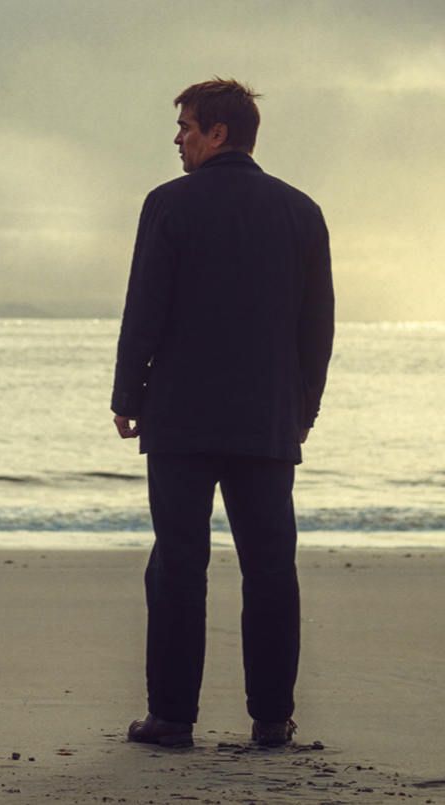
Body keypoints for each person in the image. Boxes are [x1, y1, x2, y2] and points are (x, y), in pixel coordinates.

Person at [111, 79, 334, 749]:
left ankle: (172, 717)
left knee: (178, 563)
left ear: (217, 133)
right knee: (270, 567)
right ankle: (272, 719)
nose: (177, 138)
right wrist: (303, 409)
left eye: (185, 126)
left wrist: (127, 395)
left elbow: (144, 308)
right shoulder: (302, 211)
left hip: (180, 419)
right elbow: (316, 327)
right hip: (267, 420)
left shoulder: (169, 206)